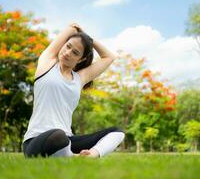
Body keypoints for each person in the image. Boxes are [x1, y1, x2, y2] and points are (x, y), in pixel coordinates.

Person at [22, 23, 125, 158]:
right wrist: (80, 33)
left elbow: (109, 57)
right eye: (68, 46)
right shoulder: (47, 63)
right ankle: (72, 157)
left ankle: (90, 156)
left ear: (81, 59)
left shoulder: (80, 78)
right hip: (36, 140)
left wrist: (89, 40)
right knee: (58, 136)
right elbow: (72, 27)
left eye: (75, 52)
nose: (67, 52)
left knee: (117, 132)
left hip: (67, 140)